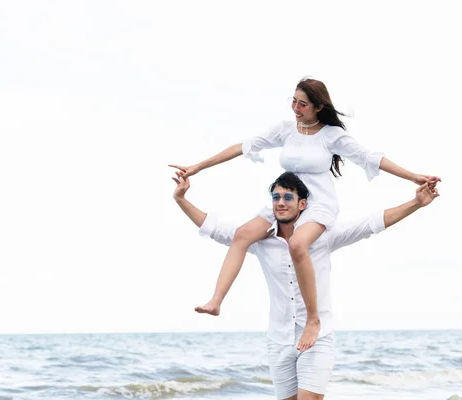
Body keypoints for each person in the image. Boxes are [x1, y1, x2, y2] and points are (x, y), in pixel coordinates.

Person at [169, 77, 440, 351]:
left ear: (319, 107)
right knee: (242, 235)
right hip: (286, 199)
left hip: (318, 204)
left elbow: (370, 158)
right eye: (293, 101)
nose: (296, 108)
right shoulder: (286, 130)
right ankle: (216, 301)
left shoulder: (332, 136)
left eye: (303, 104)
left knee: (298, 243)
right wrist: (197, 167)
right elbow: (242, 147)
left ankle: (313, 320)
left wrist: (413, 177)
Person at [172, 171, 439, 400]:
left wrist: (416, 203)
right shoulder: (260, 241)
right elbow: (215, 229)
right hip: (278, 340)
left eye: (288, 197)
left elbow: (370, 224)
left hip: (317, 338)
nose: (280, 202)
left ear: (302, 204)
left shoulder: (321, 236)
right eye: (276, 197)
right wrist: (181, 199)